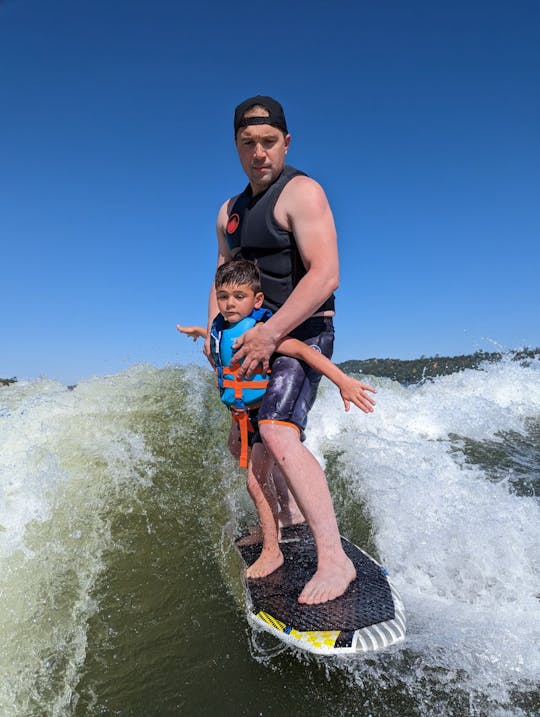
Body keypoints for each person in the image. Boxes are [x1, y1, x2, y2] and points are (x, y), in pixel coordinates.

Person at [204, 95, 367, 605]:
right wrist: (217, 334)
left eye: (269, 142)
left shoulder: (302, 192)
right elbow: (221, 274)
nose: (259, 153)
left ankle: (334, 561)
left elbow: (326, 274)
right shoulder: (229, 212)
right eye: (248, 143)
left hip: (301, 332)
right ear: (235, 146)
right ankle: (284, 523)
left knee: (276, 430)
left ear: (286, 142)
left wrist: (272, 334)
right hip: (251, 341)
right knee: (249, 442)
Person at [178, 259, 376, 582]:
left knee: (254, 481)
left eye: (238, 297)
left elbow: (302, 350)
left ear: (257, 301)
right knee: (250, 468)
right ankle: (276, 521)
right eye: (223, 296)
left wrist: (342, 381)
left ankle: (273, 550)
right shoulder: (221, 332)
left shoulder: (259, 334)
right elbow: (221, 349)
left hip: (263, 414)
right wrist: (200, 332)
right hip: (242, 415)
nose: (229, 304)